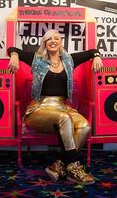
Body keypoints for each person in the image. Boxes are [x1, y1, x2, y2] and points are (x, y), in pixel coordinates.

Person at [7, 29, 103, 185]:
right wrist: (14, 56)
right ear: (44, 43)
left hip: (62, 106)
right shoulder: (36, 59)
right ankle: (73, 168)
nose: (53, 41)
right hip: (39, 108)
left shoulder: (69, 60)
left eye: (56, 38)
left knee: (85, 126)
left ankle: (58, 164)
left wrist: (97, 56)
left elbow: (92, 51)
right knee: (64, 118)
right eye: (49, 39)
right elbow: (12, 49)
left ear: (60, 42)